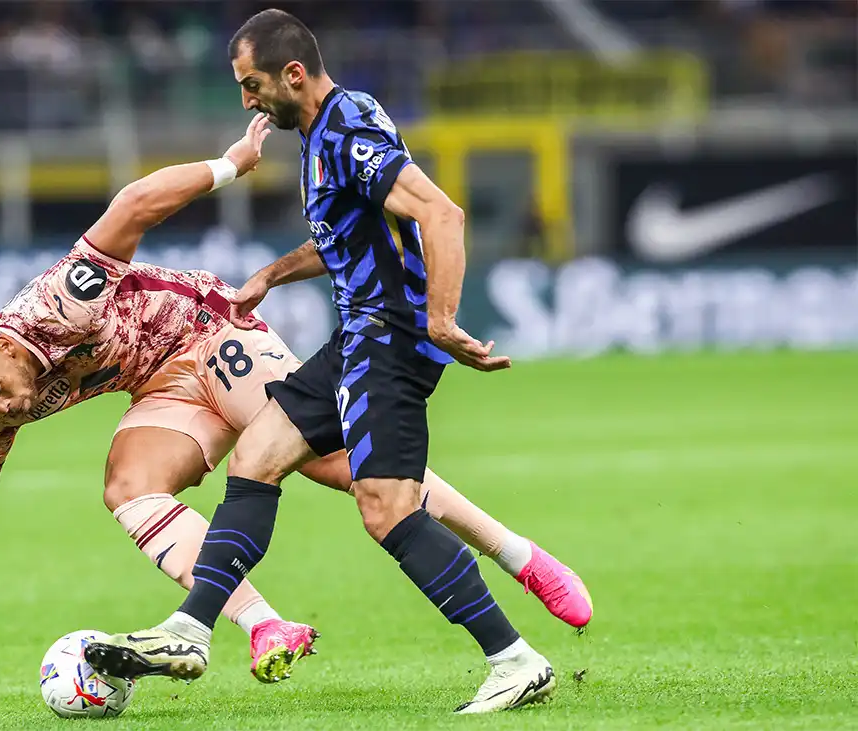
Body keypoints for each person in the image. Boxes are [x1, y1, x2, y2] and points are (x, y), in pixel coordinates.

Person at [0, 112, 589, 695]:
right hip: (161, 388)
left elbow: (133, 204)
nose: (8, 406)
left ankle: (519, 555)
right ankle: (263, 624)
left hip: (210, 333)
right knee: (127, 487)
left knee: (343, 467)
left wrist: (228, 165)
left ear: (4, 345)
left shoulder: (56, 304)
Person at [84, 9, 591, 715]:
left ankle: (514, 660)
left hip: (390, 337)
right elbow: (345, 237)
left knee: (386, 507)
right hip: (357, 337)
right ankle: (191, 629)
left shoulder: (347, 130)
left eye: (252, 83)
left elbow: (441, 213)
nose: (247, 100)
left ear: (293, 74)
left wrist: (439, 319)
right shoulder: (325, 130)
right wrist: (270, 276)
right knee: (256, 455)